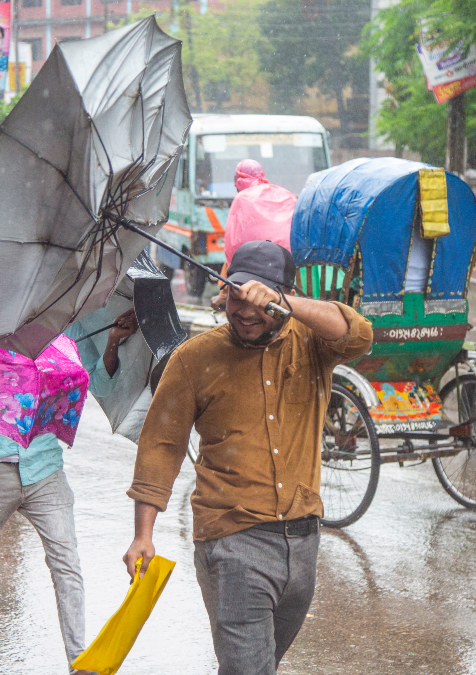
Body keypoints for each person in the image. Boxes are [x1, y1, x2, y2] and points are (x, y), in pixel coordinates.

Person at [124, 240, 373, 675]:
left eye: (257, 303)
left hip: (304, 540)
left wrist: (283, 302)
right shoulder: (193, 359)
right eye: (235, 297)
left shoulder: (313, 343)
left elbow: (359, 333)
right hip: (232, 542)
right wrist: (142, 534)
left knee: (259, 665)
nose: (243, 311)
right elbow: (161, 445)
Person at [0, 311, 139, 674]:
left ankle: (79, 661)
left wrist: (113, 341)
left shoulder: (68, 328)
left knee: (66, 563)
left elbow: (99, 385)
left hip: (45, 467)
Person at [210, 159, 296, 311]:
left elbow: (232, 245)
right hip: (287, 260)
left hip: (254, 263)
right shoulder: (285, 194)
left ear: (238, 181)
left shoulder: (242, 198)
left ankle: (223, 296)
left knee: (231, 260)